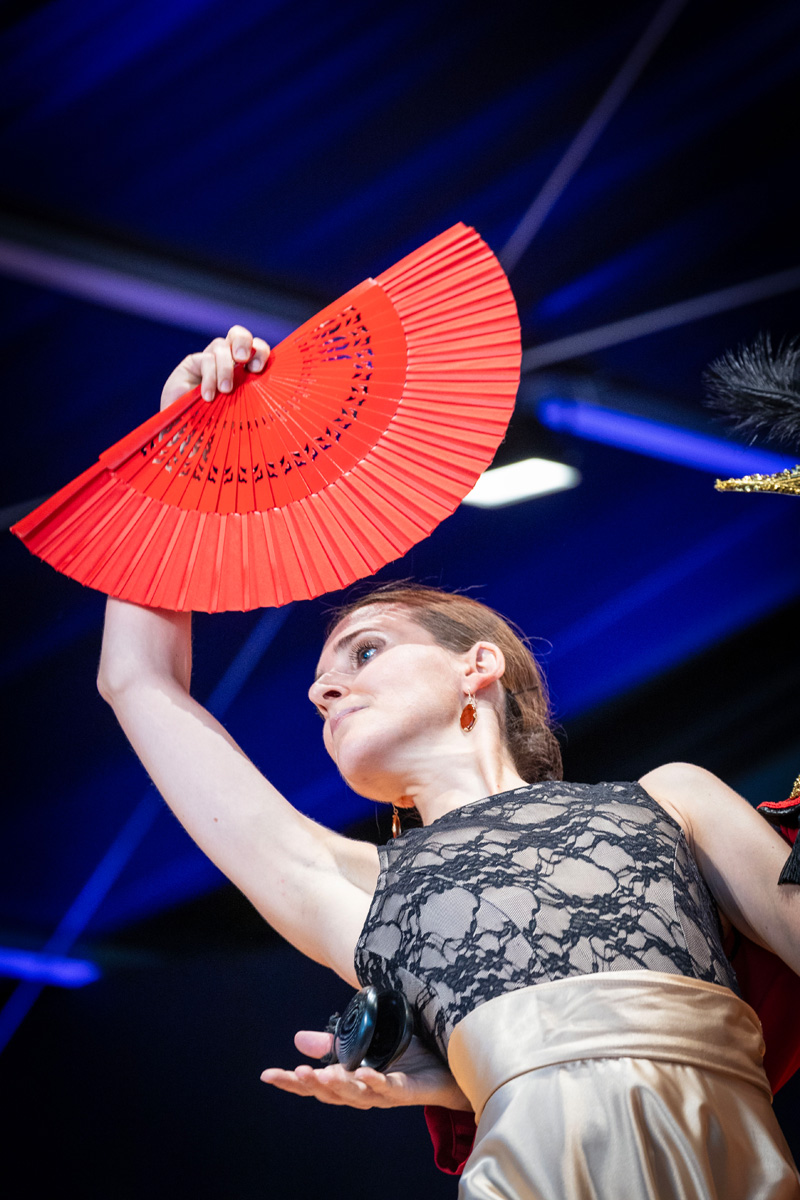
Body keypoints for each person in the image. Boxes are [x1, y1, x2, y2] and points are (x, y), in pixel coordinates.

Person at [97, 326, 800, 1199]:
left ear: (478, 667)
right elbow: (136, 681)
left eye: (364, 652)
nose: (323, 689)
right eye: (318, 688)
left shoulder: (672, 800)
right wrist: (179, 445)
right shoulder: (351, 885)